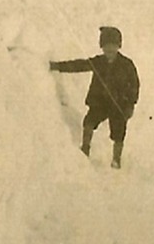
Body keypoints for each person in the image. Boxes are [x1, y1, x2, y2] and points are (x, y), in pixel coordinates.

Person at [49, 25, 141, 169]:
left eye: (113, 46)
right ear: (102, 47)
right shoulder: (98, 62)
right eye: (106, 47)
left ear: (119, 46)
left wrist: (130, 105)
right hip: (101, 103)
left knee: (119, 132)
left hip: (119, 104)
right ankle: (85, 148)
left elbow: (135, 85)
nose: (109, 50)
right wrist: (57, 66)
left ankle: (116, 159)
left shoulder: (127, 65)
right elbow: (79, 65)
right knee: (89, 122)